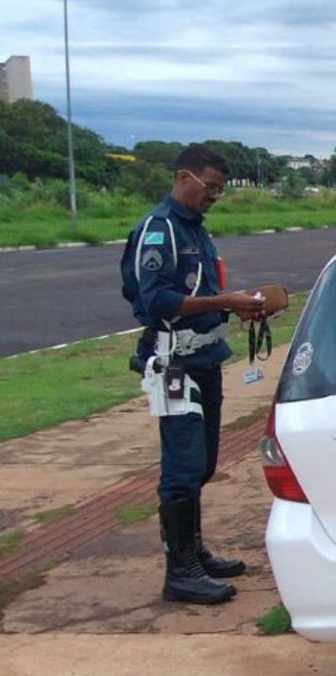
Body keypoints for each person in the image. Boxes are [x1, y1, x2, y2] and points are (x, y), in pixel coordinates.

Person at [119, 143, 268, 605]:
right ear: (184, 176)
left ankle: (194, 551)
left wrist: (239, 310)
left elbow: (200, 295)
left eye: (221, 190)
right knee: (182, 468)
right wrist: (225, 301)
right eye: (210, 187)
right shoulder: (159, 230)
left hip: (205, 359)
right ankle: (179, 570)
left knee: (201, 464)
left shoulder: (196, 231)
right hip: (175, 364)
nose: (214, 197)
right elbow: (156, 301)